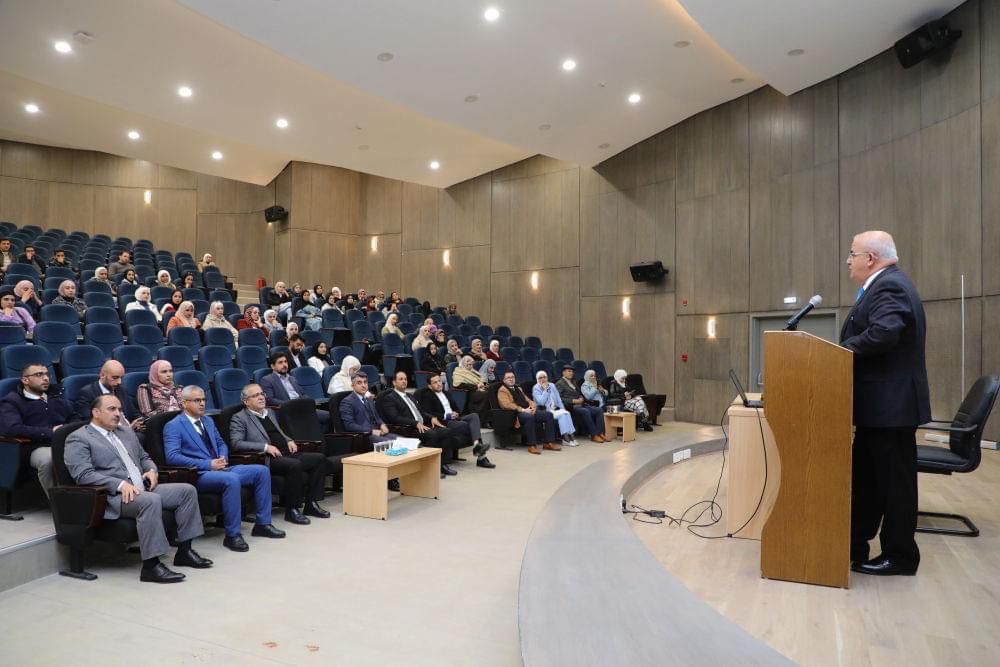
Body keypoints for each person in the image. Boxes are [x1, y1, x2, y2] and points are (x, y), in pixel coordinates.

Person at [841, 231, 929, 577]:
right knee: (868, 482)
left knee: (895, 488)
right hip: (879, 410)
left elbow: (884, 333)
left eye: (852, 254)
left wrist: (838, 353)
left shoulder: (889, 286)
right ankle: (854, 544)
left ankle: (901, 556)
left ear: (871, 258)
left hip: (891, 409)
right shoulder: (883, 285)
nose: (848, 260)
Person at [64, 395, 210, 583]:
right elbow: (83, 475)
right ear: (96, 412)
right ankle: (151, 566)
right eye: (112, 409)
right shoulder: (78, 438)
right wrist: (118, 484)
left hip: (143, 488)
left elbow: (144, 457)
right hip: (112, 496)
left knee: (186, 491)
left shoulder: (125, 432)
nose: (118, 413)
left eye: (119, 409)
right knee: (150, 501)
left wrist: (151, 470)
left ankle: (185, 551)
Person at [163, 385, 284, 552]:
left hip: (220, 467)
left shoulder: (208, 421)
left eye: (204, 400)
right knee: (231, 479)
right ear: (184, 403)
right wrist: (208, 464)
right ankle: (232, 535)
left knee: (261, 471)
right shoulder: (174, 425)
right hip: (198, 474)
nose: (202, 403)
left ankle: (263, 524)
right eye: (197, 400)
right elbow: (172, 456)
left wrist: (222, 457)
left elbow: (221, 443)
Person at [229, 384, 330, 525]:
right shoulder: (239, 418)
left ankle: (311, 503)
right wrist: (265, 447)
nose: (261, 397)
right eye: (255, 395)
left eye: (262, 394)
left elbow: (279, 432)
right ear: (246, 401)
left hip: (286, 452)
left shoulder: (270, 412)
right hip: (266, 458)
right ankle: (292, 510)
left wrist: (288, 439)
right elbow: (237, 443)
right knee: (294, 465)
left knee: (319, 459)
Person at [0, 362, 73, 496]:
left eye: (47, 374)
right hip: (34, 446)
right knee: (49, 459)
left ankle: (88, 498)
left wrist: (67, 430)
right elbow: (12, 429)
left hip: (63, 441)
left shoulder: (55, 395)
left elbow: (73, 416)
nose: (46, 378)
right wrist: (50, 432)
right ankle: (59, 504)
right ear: (25, 380)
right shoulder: (12, 401)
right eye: (39, 374)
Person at [377, 371, 461, 477]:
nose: (404, 381)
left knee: (446, 432)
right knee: (432, 435)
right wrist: (415, 423)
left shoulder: (410, 396)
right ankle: (431, 468)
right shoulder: (390, 398)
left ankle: (442, 464)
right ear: (394, 382)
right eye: (401, 379)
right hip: (408, 428)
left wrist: (431, 418)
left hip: (422, 426)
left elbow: (421, 412)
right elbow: (394, 417)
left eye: (405, 379)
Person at [417, 374, 493, 468]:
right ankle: (481, 457)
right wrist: (447, 415)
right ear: (430, 386)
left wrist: (456, 413)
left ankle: (477, 445)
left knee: (474, 416)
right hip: (444, 422)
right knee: (469, 427)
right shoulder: (427, 396)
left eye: (439, 381)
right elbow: (429, 413)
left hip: (455, 419)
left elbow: (456, 409)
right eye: (435, 382)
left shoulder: (447, 393)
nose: (439, 384)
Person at [260, 351, 331, 430]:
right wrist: (291, 404)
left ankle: (319, 436)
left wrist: (308, 401)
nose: (284, 365)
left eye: (285, 362)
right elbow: (270, 400)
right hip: (287, 411)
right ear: (273, 366)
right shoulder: (267, 380)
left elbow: (302, 394)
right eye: (280, 362)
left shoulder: (292, 378)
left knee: (328, 416)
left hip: (301, 407)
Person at [74, 361, 145, 434]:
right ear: (102, 375)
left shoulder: (121, 390)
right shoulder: (87, 393)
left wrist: (140, 421)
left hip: (130, 430)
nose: (119, 382)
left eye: (121, 378)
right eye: (115, 377)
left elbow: (133, 412)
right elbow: (91, 422)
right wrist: (125, 429)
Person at [497, 370, 558, 455]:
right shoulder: (502, 390)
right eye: (508, 378)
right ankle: (532, 445)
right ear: (504, 380)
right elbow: (506, 404)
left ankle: (548, 442)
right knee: (529, 417)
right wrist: (523, 410)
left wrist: (533, 407)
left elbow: (528, 400)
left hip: (528, 410)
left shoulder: (519, 388)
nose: (511, 379)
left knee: (548, 415)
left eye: (512, 377)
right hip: (516, 414)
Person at [339, 374, 397, 447]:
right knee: (394, 444)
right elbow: (349, 425)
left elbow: (377, 416)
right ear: (352, 385)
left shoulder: (369, 399)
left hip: (379, 433)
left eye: (365, 382)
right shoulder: (347, 402)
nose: (363, 385)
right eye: (359, 383)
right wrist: (371, 431)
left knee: (403, 441)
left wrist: (382, 424)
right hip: (364, 436)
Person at [556, 365, 606, 443]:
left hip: (581, 404)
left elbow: (579, 393)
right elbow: (559, 398)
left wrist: (581, 397)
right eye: (569, 371)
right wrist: (573, 401)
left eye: (572, 371)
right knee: (585, 411)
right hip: (571, 407)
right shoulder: (559, 383)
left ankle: (600, 433)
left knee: (599, 410)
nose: (571, 373)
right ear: (563, 372)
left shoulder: (573, 382)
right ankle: (594, 435)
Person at [533, 371, 577, 446]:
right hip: (545, 411)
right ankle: (566, 438)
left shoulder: (552, 385)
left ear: (547, 378)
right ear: (537, 379)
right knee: (563, 414)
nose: (543, 379)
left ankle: (571, 437)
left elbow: (558, 399)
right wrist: (545, 390)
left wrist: (563, 409)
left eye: (544, 377)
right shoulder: (536, 388)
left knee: (566, 413)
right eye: (540, 378)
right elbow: (541, 402)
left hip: (555, 410)